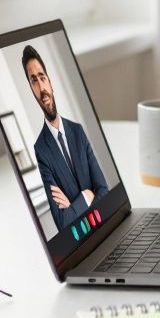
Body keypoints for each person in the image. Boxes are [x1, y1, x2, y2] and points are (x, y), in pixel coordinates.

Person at [24, 45, 109, 231]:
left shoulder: (77, 131)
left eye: (42, 77)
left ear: (51, 83)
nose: (41, 87)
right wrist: (87, 197)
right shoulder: (41, 150)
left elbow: (104, 190)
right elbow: (62, 222)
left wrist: (73, 206)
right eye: (34, 81)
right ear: (32, 91)